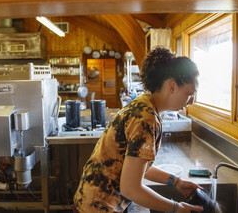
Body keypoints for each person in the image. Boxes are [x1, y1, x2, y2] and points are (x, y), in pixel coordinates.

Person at [73, 47, 202, 213]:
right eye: (189, 93)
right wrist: (177, 208)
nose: (191, 101)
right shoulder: (147, 120)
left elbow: (136, 166)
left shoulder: (144, 103)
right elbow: (131, 189)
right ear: (172, 87)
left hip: (91, 200)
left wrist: (176, 182)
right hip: (99, 206)